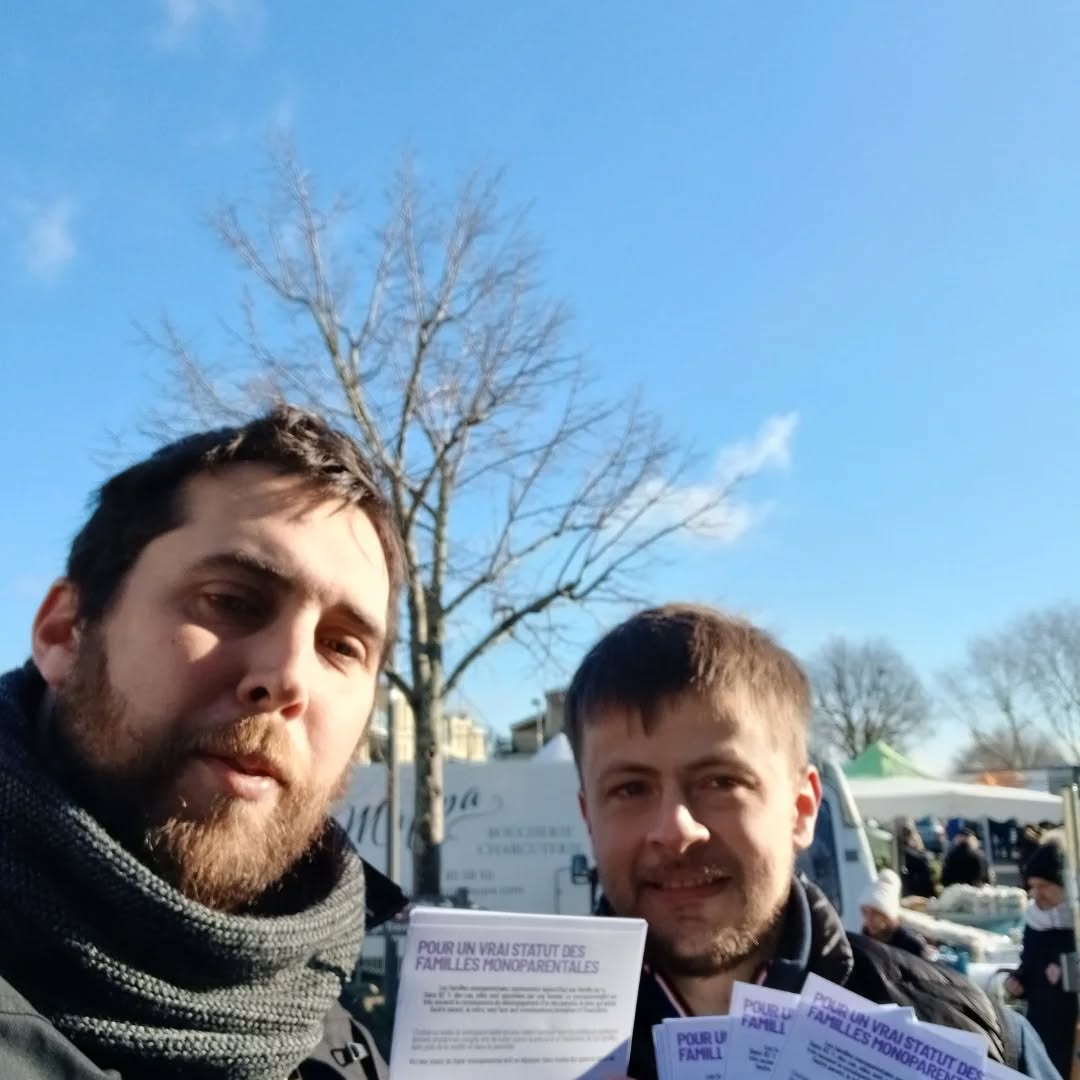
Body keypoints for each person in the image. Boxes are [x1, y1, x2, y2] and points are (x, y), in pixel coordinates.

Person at [0, 406, 407, 1079]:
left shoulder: (343, 1047)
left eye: (341, 646)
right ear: (64, 632)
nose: (288, 678)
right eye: (231, 601)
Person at [563, 603, 1058, 1080]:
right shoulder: (525, 1054)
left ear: (802, 809)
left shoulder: (975, 1038)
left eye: (720, 782)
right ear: (589, 818)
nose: (675, 830)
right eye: (630, 789)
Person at [1005, 836, 1078, 1080]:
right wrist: (1018, 982)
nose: (1037, 894)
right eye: (1033, 886)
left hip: (1073, 1026)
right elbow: (1029, 964)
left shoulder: (1076, 923)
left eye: (1044, 886)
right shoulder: (1035, 921)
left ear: (1064, 885)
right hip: (1042, 1023)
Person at [859, 869, 930, 958]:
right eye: (865, 912)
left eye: (875, 913)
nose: (869, 919)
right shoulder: (863, 940)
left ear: (888, 915)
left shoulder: (912, 945)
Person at [899, 821, 935, 898]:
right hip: (914, 891)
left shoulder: (920, 854)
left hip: (922, 890)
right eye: (909, 837)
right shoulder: (905, 854)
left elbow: (927, 876)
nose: (913, 839)